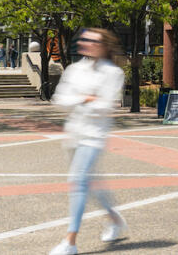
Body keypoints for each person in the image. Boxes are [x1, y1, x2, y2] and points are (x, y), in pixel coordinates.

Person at [49, 28, 127, 255]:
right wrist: (86, 97)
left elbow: (106, 107)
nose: (85, 42)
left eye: (91, 40)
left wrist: (84, 101)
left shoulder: (113, 73)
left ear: (103, 46)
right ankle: (114, 218)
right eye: (84, 39)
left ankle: (70, 241)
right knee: (89, 184)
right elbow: (59, 100)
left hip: (94, 136)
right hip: (74, 133)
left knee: (79, 181)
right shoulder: (74, 70)